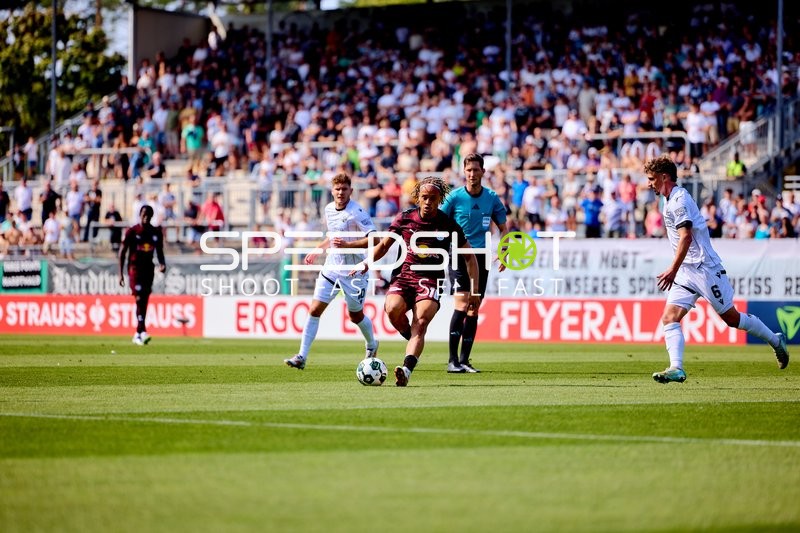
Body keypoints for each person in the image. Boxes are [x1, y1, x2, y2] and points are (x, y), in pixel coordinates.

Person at [643, 155, 789, 383]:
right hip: (686, 272)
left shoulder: (679, 200)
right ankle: (676, 368)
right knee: (669, 317)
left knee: (731, 318)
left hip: (705, 268)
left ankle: (775, 340)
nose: (649, 183)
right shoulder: (667, 198)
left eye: (652, 178)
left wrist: (672, 269)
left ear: (664, 177)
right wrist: (678, 270)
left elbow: (686, 238)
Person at [362, 176, 480, 387]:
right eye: (424, 197)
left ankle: (406, 370)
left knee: (422, 322)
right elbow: (384, 246)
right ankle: (412, 337)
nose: (428, 202)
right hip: (404, 277)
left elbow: (470, 257)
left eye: (433, 198)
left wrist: (475, 290)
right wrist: (366, 262)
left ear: (439, 200)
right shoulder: (404, 218)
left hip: (430, 281)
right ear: (417, 198)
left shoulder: (447, 224)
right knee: (391, 309)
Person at [284, 173, 379, 370]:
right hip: (332, 267)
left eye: (344, 189)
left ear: (350, 191)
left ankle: (372, 343)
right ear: (332, 191)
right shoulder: (328, 209)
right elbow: (333, 236)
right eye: (337, 189)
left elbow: (375, 239)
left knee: (355, 316)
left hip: (354, 271)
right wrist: (318, 249)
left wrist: (348, 245)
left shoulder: (357, 212)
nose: (340, 192)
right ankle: (301, 356)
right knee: (314, 309)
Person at [439, 153, 507, 373]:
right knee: (462, 303)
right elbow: (438, 222)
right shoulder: (454, 197)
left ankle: (464, 360)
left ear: (483, 172)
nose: (472, 174)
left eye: (476, 170)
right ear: (464, 172)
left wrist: (504, 251)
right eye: (468, 170)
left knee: (474, 307)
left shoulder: (492, 198)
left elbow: (504, 228)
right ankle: (452, 361)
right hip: (459, 253)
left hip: (481, 257)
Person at [118, 205, 166, 346]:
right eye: (144, 214)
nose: (146, 217)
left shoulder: (155, 232)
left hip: (148, 270)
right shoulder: (132, 232)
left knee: (144, 299)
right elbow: (122, 252)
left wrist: (162, 263)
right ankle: (141, 330)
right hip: (135, 269)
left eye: (149, 215)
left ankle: (139, 333)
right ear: (140, 214)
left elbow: (160, 251)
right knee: (138, 297)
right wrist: (120, 274)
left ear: (151, 216)